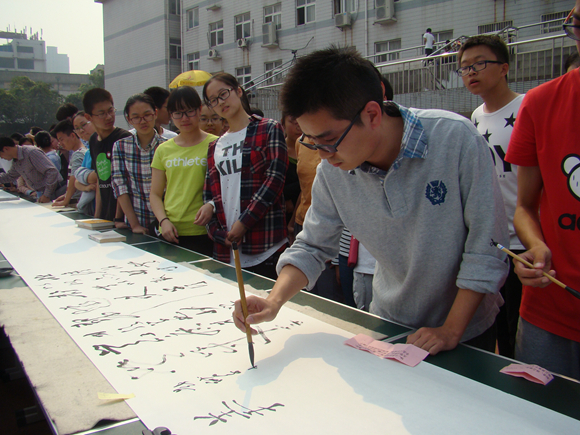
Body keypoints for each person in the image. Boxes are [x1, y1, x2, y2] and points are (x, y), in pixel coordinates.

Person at [232, 46, 509, 355]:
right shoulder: (333, 172)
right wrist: (273, 301)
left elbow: (486, 246)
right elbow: (311, 246)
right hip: (390, 321)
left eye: (329, 141)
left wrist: (451, 330)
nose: (324, 155)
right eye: (312, 142)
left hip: (466, 329)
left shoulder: (454, 138)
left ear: (373, 114)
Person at [504, 4, 580, 379]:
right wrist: (534, 247)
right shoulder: (542, 102)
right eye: (577, 24)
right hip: (550, 311)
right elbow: (524, 206)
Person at [458, 35, 524, 359]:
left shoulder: (527, 108)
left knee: (520, 330)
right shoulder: (474, 118)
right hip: (492, 241)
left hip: (527, 242)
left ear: (504, 68)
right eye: (465, 67)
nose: (471, 72)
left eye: (480, 64)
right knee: (494, 323)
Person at [202, 73, 288, 279]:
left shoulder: (268, 128)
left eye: (223, 94)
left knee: (266, 305)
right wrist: (219, 234)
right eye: (213, 100)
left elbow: (274, 180)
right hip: (227, 248)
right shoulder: (215, 145)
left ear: (238, 91)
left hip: (264, 243)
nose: (220, 103)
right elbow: (209, 194)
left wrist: (244, 223)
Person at [150, 86, 217, 255]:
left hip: (205, 231)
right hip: (171, 230)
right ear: (171, 115)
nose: (184, 118)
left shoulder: (217, 144)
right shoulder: (163, 150)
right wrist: (163, 221)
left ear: (199, 110)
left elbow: (226, 188)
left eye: (189, 111)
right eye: (178, 113)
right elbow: (155, 194)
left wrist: (212, 205)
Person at [112, 94, 165, 234]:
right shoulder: (120, 146)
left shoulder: (168, 146)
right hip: (136, 222)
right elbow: (120, 186)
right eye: (136, 117)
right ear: (129, 120)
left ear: (155, 114)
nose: (143, 121)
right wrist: (134, 224)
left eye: (147, 115)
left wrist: (165, 222)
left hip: (167, 223)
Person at [83, 88, 132, 221]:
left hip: (124, 218)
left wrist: (118, 218)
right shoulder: (93, 140)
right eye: (102, 113)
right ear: (89, 117)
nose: (109, 117)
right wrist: (97, 216)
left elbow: (126, 181)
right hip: (105, 214)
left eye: (111, 111)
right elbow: (100, 178)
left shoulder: (124, 138)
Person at [0, 136, 63, 202]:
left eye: (0, 155)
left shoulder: (31, 152)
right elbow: (10, 176)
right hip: (42, 193)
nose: (1, 158)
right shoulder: (16, 161)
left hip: (55, 191)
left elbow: (52, 172)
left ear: (5, 149)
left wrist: (47, 195)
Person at [52, 119, 87, 207]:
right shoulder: (83, 152)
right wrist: (66, 196)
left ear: (72, 135)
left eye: (61, 139)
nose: (60, 144)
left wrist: (65, 201)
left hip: (76, 202)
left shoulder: (78, 154)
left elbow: (74, 179)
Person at [72, 112, 97, 215]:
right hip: (91, 207)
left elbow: (97, 177)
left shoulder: (108, 146)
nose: (81, 130)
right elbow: (77, 182)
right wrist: (86, 187)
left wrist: (84, 177)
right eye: (77, 128)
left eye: (84, 125)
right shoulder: (88, 153)